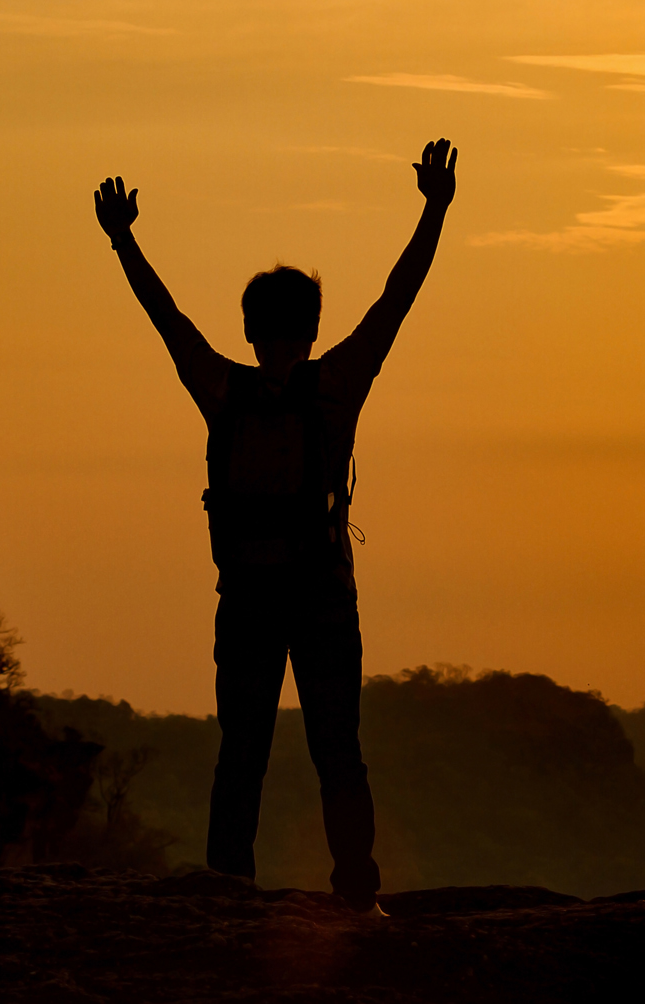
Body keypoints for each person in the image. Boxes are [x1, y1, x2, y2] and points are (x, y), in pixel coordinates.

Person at [93, 139, 458, 913]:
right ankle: (357, 895)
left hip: (249, 595)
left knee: (243, 756)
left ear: (254, 331)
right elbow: (398, 299)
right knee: (338, 753)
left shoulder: (223, 389)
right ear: (314, 330)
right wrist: (434, 209)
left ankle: (227, 895)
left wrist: (124, 239)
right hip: (321, 597)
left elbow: (168, 320)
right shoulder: (335, 388)